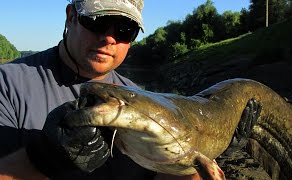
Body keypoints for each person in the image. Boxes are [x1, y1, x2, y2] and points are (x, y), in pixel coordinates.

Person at [0, 0, 260, 179]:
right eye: (97, 21)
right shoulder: (8, 84)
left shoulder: (143, 102)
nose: (109, 38)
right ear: (71, 16)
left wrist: (208, 151)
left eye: (125, 30)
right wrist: (43, 158)